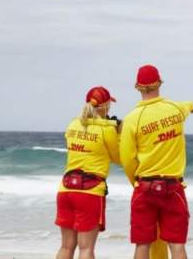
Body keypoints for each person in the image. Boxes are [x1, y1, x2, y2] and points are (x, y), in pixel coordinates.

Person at [120, 65, 193, 259]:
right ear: (160, 83)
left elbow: (127, 158)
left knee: (142, 245)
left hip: (145, 188)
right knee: (177, 245)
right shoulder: (176, 109)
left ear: (137, 87)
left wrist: (135, 183)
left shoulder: (132, 119)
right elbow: (190, 105)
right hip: (173, 188)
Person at [55, 86, 121, 259]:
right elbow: (118, 157)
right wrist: (117, 132)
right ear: (105, 106)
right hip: (90, 192)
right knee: (86, 249)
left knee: (66, 247)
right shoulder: (106, 130)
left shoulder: (73, 124)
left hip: (66, 189)